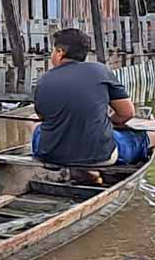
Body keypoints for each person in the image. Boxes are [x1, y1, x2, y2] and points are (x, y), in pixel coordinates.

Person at [33, 28, 154, 166]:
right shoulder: (100, 71)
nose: (52, 55)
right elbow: (127, 113)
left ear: (60, 53)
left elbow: (42, 117)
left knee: (36, 128)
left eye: (53, 51)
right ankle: (91, 169)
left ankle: (83, 171)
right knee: (147, 137)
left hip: (50, 155)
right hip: (100, 156)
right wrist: (110, 122)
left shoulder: (43, 80)